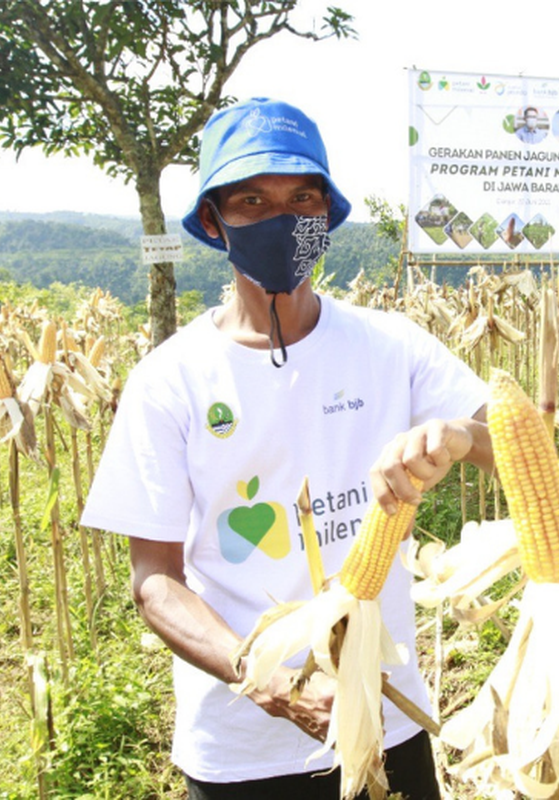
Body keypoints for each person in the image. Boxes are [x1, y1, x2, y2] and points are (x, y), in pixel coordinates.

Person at [81, 97, 492, 799]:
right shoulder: (170, 380)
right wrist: (267, 682)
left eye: (301, 197)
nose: (281, 218)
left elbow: (518, 447)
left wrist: (459, 436)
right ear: (213, 221)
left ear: (325, 217)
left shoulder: (392, 346)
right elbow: (155, 582)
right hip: (239, 750)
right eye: (251, 200)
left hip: (386, 724)